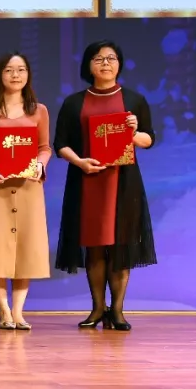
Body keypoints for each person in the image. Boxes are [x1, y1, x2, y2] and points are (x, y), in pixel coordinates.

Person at [54, 40, 157, 332]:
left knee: (121, 246)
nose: (105, 63)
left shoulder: (134, 100)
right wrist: (80, 162)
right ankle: (98, 308)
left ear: (119, 64)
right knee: (95, 247)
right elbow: (60, 144)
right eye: (98, 59)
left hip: (123, 183)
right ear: (89, 65)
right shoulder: (74, 102)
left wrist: (133, 133)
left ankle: (118, 311)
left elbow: (149, 140)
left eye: (111, 58)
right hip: (87, 180)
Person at [0, 53, 51, 330]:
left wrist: (40, 164)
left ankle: (18, 312)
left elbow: (44, 147)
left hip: (28, 187)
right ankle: (3, 310)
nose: (16, 75)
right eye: (9, 70)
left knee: (26, 248)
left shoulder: (39, 111)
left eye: (21, 69)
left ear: (28, 75)